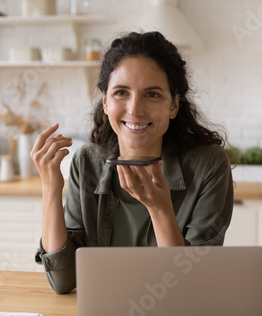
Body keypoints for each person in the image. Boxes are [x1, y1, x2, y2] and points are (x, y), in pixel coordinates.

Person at [32, 31, 234, 294]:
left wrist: (160, 209)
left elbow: (189, 288)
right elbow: (62, 281)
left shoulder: (208, 166)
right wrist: (50, 188)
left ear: (174, 105)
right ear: (105, 101)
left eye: (152, 95)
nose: (135, 110)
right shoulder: (87, 163)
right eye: (121, 93)